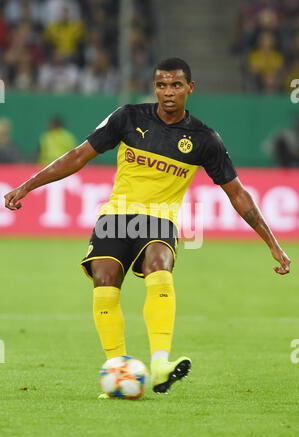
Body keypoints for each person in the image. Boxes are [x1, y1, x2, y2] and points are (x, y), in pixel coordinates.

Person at [4, 58, 291, 398]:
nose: (168, 92)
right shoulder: (128, 117)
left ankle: (159, 365)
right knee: (105, 281)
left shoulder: (204, 139)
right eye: (161, 85)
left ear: (190, 88)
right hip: (116, 218)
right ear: (154, 87)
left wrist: (271, 242)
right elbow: (78, 156)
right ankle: (118, 370)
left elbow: (238, 194)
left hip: (159, 219)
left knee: (160, 266)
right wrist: (27, 185)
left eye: (176, 85)